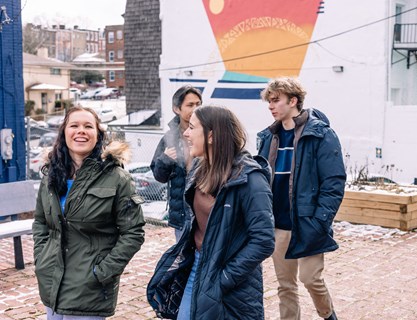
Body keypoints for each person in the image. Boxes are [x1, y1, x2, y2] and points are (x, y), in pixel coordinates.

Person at [147, 106, 275, 319]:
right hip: (198, 265)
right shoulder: (199, 167)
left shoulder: (250, 178)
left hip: (230, 277)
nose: (186, 133)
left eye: (192, 128)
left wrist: (224, 278)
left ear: (211, 136)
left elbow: (263, 240)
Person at [33, 106, 145, 319]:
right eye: (74, 125)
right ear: (64, 133)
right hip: (51, 283)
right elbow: (40, 221)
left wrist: (102, 272)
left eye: (88, 126)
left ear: (98, 135)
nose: (80, 131)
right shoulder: (50, 176)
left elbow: (133, 233)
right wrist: (41, 258)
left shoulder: (117, 178)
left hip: (89, 289)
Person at [257, 77, 346, 320]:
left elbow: (334, 182)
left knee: (310, 279)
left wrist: (321, 221)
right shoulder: (268, 138)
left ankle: (328, 315)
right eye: (269, 102)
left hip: (308, 222)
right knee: (285, 286)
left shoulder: (320, 134)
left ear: (293, 100)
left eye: (276, 101)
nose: (271, 106)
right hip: (278, 225)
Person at [150, 85, 202, 241]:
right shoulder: (169, 138)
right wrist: (165, 160)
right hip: (182, 215)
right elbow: (159, 176)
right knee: (183, 259)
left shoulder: (208, 134)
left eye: (198, 104)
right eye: (190, 105)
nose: (195, 108)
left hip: (205, 212)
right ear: (176, 109)